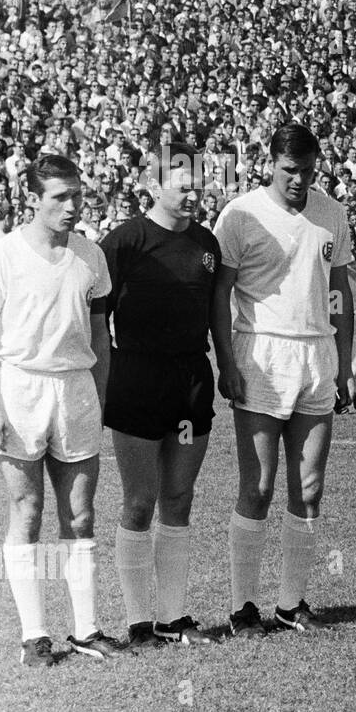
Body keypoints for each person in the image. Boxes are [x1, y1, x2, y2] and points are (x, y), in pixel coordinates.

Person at [212, 124, 355, 637]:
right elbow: (219, 294)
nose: (298, 179)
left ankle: (292, 602)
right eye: (288, 169)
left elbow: (340, 290)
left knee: (309, 486)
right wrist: (227, 362)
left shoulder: (331, 212)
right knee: (259, 484)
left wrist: (347, 358)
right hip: (262, 353)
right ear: (270, 163)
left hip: (316, 355)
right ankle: (243, 607)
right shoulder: (241, 214)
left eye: (307, 169)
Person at [0, 155, 124, 665]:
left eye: (76, 195)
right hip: (21, 389)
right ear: (34, 200)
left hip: (76, 391)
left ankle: (86, 630)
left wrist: (100, 396)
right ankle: (34, 636)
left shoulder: (91, 256)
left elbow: (100, 338)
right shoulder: (2, 256)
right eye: (59, 198)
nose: (71, 206)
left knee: (81, 512)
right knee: (27, 510)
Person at [102, 141, 220, 647]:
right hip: (136, 379)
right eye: (182, 184)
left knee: (179, 497)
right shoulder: (124, 241)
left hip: (191, 381)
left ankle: (172, 617)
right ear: (153, 185)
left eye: (199, 183)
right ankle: (136, 622)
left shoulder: (207, 243)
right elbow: (95, 318)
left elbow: (216, 313)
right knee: (138, 501)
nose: (193, 194)